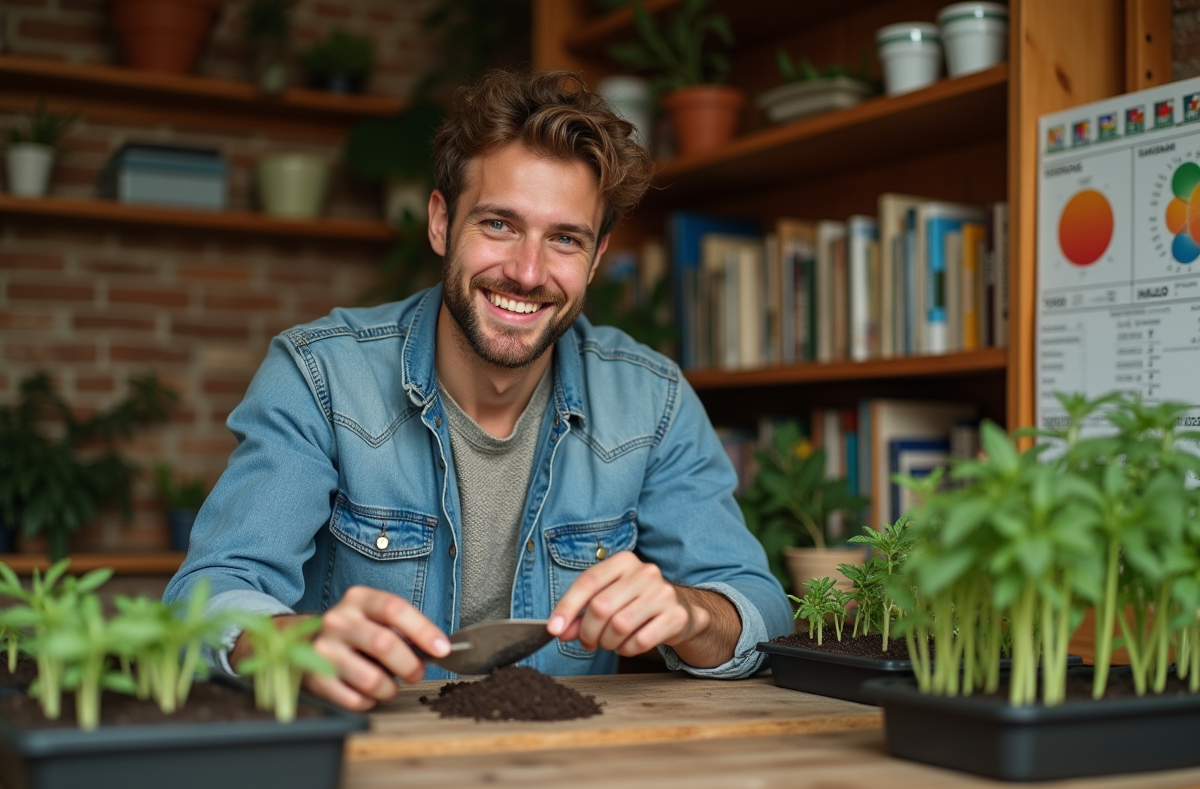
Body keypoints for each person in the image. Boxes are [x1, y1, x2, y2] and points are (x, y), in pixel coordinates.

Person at [163, 69, 791, 711]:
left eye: (565, 239)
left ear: (597, 259)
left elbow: (760, 605)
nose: (526, 272)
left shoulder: (651, 400)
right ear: (441, 223)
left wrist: (690, 613)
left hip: (564, 762)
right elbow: (208, 593)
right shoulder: (320, 377)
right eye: (498, 224)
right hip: (364, 753)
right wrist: (294, 639)